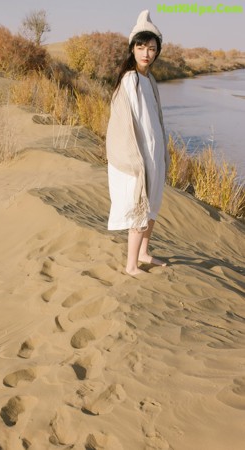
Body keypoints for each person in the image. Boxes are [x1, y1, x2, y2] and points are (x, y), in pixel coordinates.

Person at [106, 10, 170, 276]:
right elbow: (128, 124)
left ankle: (144, 252)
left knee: (152, 204)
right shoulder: (131, 79)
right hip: (139, 156)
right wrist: (139, 158)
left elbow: (154, 120)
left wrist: (161, 154)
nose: (146, 52)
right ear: (132, 48)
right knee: (139, 209)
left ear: (157, 52)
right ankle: (131, 264)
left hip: (153, 154)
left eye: (151, 48)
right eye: (141, 46)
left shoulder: (150, 80)